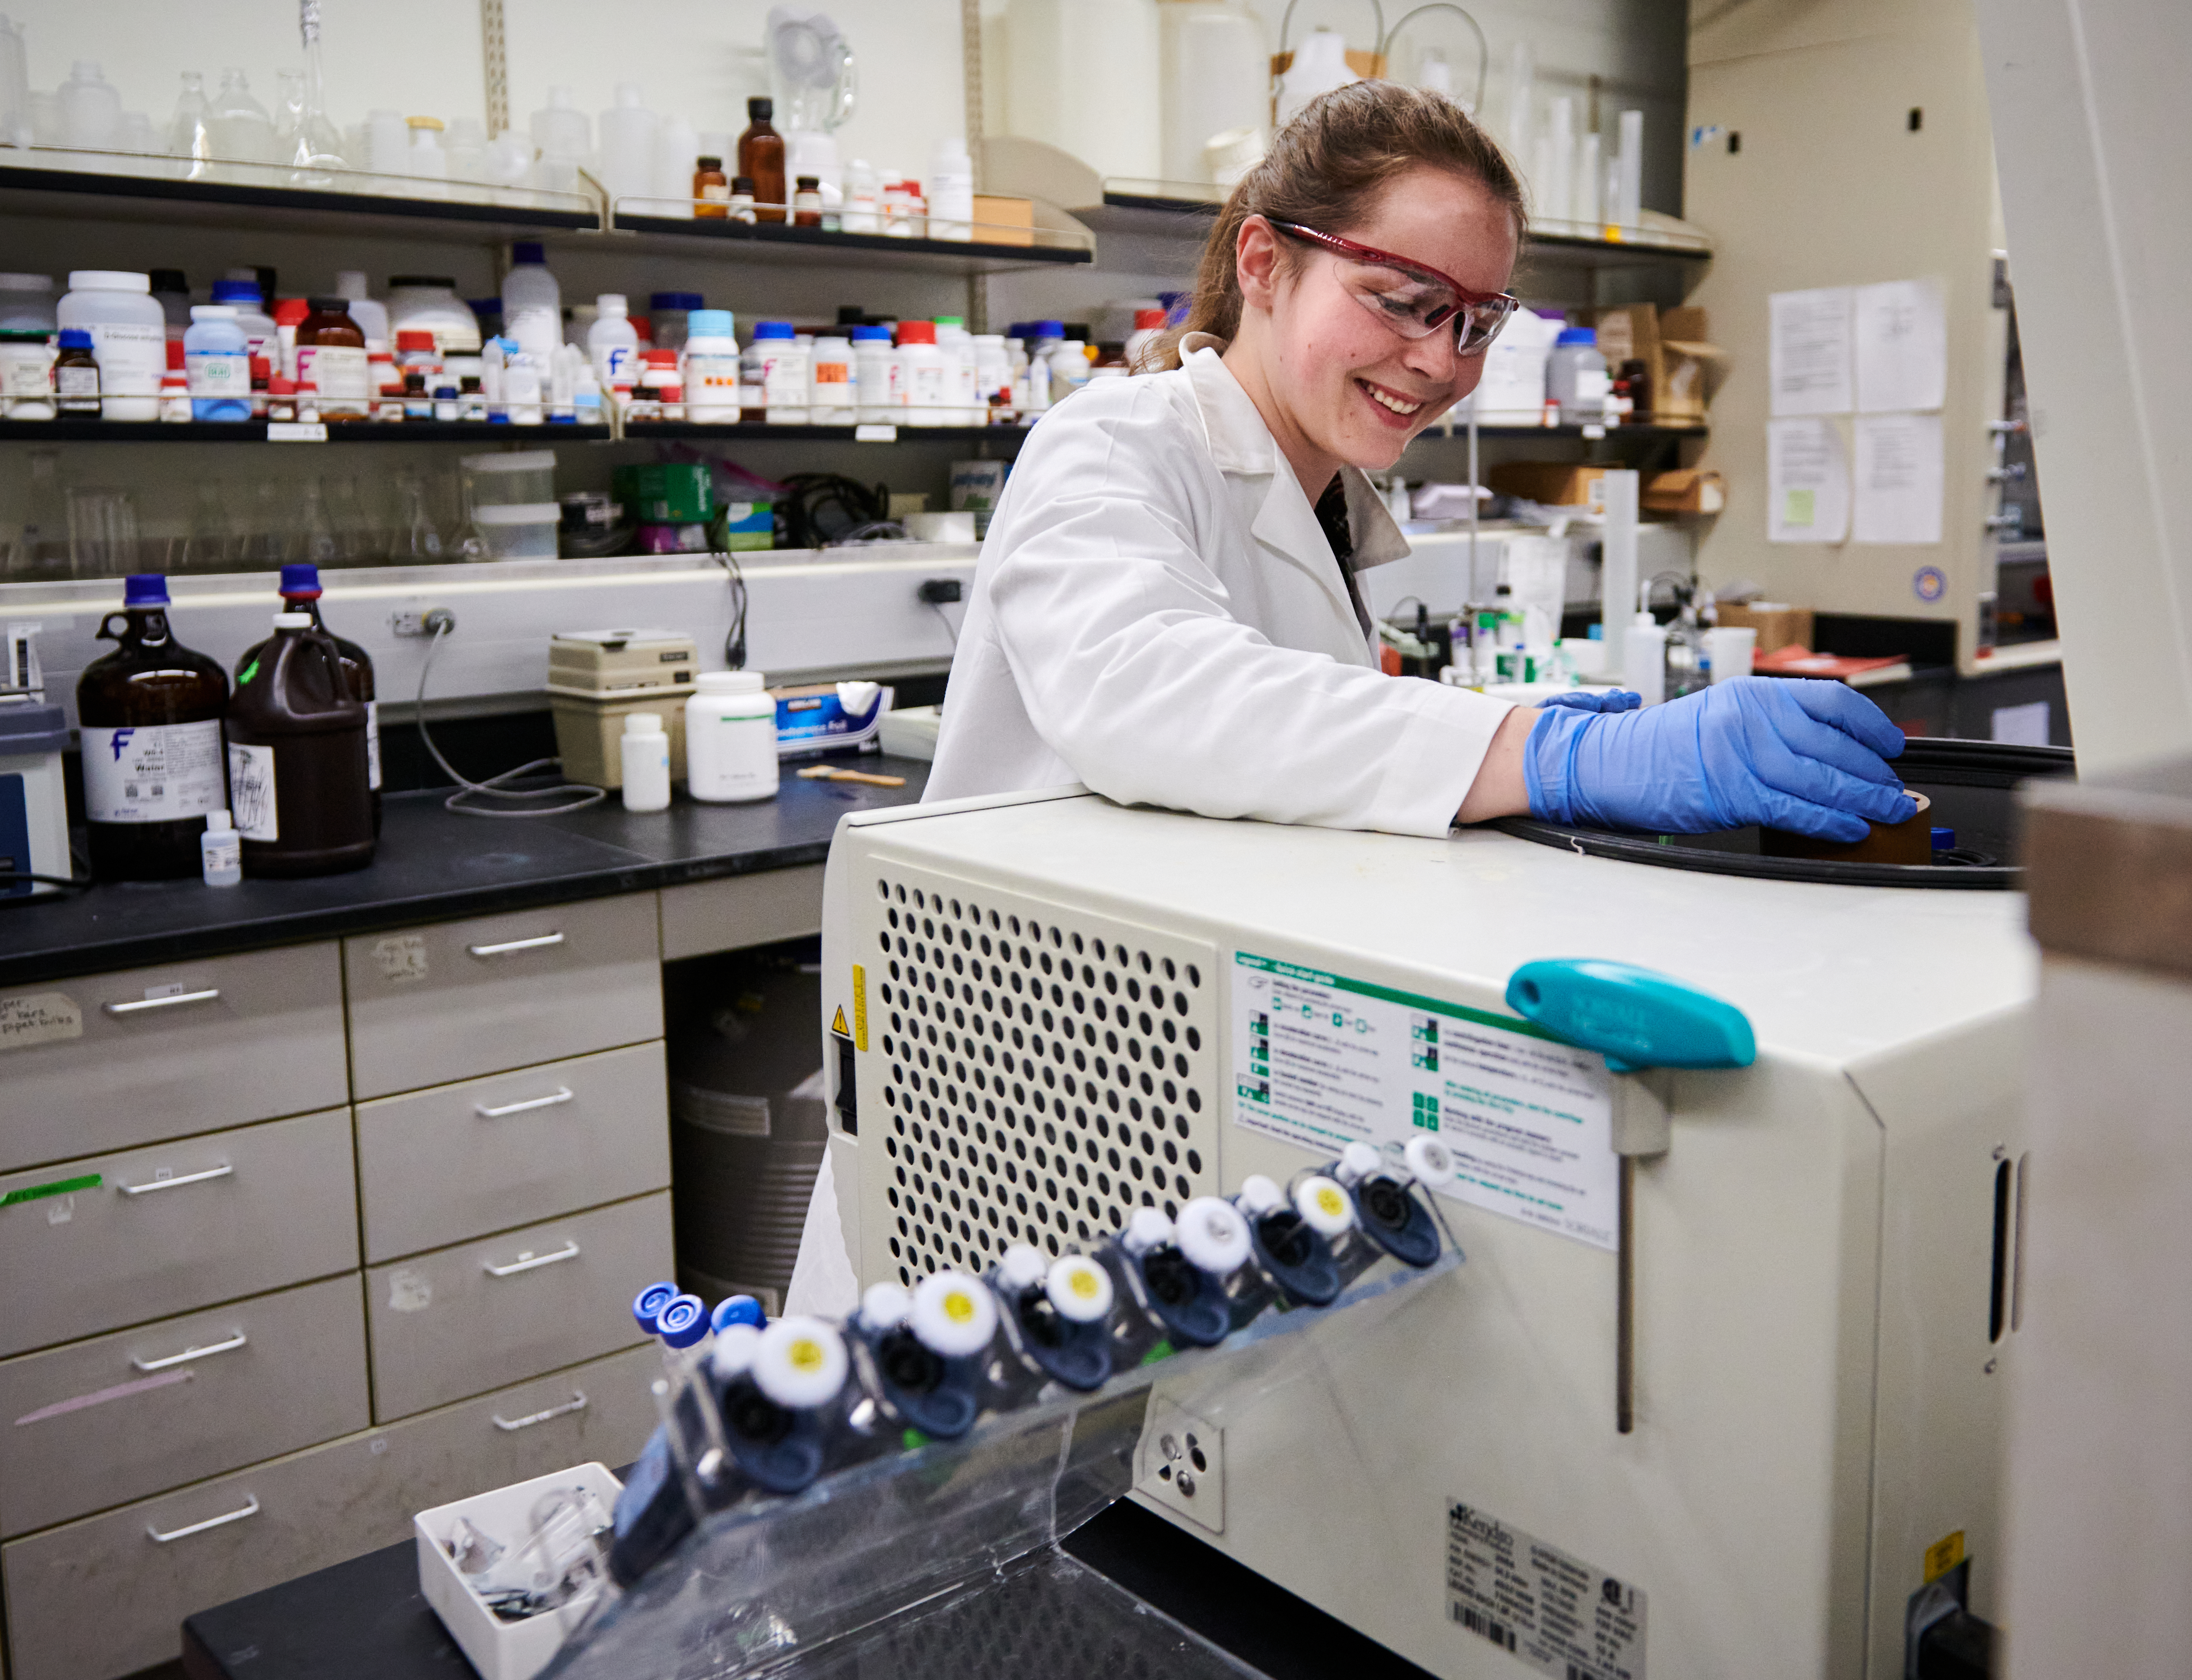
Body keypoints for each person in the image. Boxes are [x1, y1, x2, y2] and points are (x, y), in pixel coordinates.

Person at [785, 82, 1911, 1316]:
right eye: (1402, 300)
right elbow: (1146, 692)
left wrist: (1517, 732)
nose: (1441, 361)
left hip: (1156, 1103)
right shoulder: (1116, 440)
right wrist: (1539, 752)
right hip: (1007, 1108)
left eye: (1477, 321)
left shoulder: (1325, 509)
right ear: (1263, 261)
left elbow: (1291, 740)